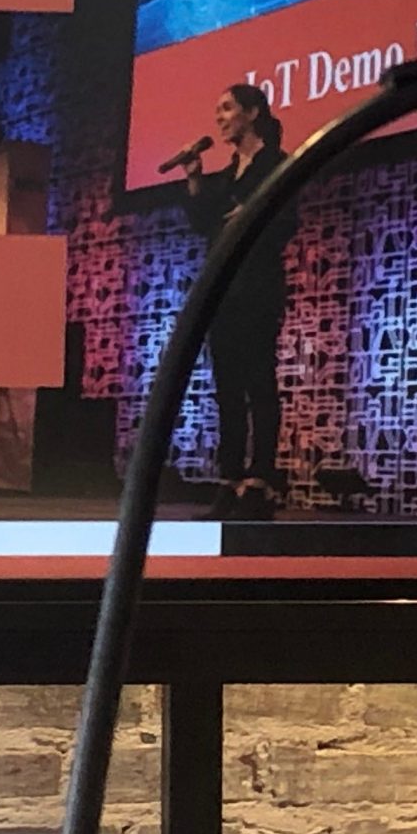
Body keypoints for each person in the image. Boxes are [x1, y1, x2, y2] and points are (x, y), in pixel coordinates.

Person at [179, 83, 296, 520]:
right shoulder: (227, 176)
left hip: (259, 287)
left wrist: (247, 217)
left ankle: (261, 482)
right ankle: (230, 480)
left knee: (258, 383)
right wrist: (193, 175)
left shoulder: (277, 164)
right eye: (218, 110)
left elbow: (285, 222)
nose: (220, 118)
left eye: (227, 108)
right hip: (223, 290)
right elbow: (203, 223)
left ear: (252, 113)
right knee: (226, 388)